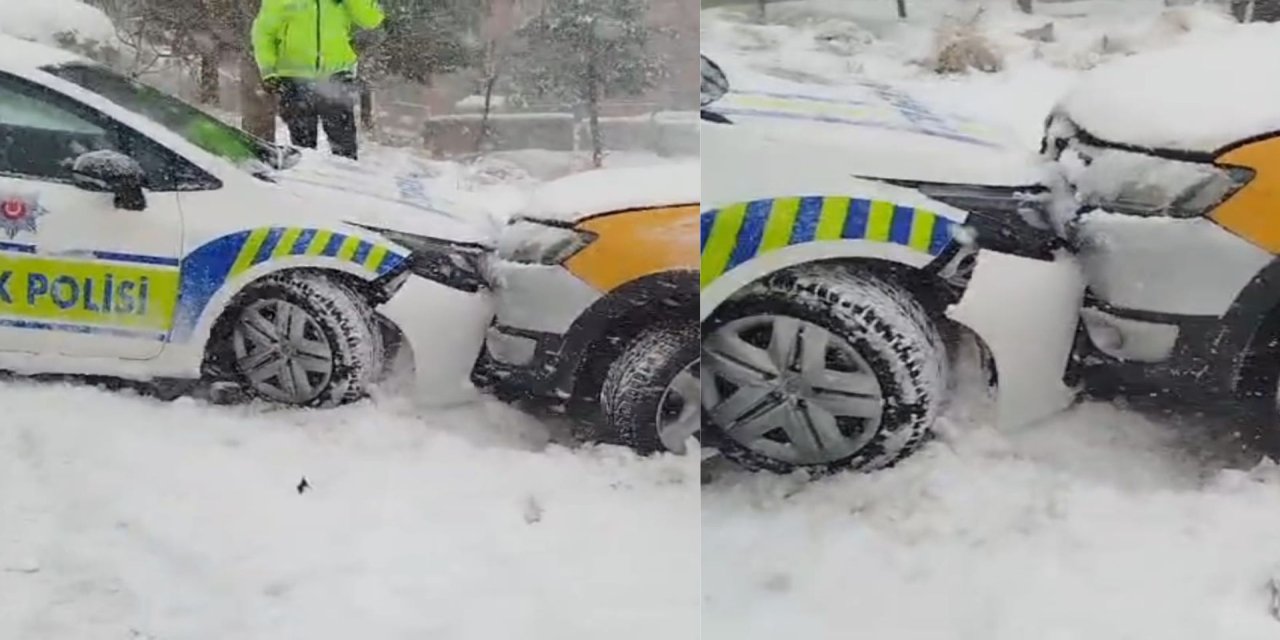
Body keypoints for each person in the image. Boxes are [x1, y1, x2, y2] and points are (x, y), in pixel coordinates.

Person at [251, 0, 385, 160]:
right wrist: (269, 71)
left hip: (336, 77)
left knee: (344, 145)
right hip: (295, 78)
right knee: (302, 147)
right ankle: (307, 181)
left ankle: (345, 179)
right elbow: (264, 33)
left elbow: (372, 20)